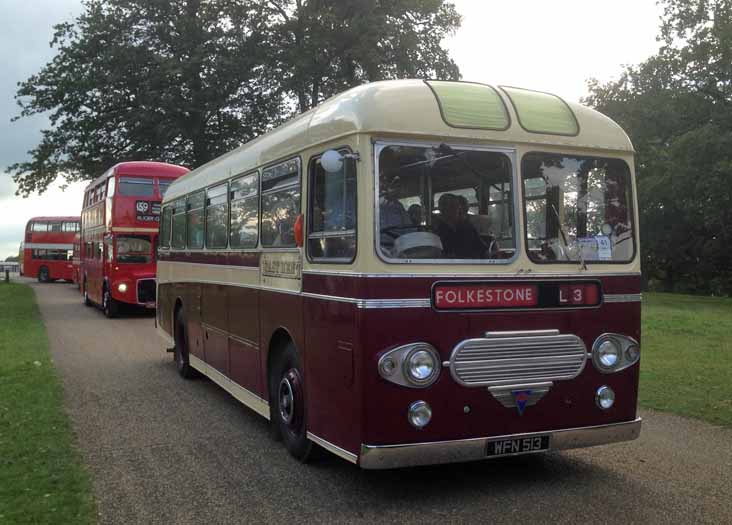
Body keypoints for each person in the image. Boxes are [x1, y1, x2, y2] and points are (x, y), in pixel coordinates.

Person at [434, 193, 486, 258]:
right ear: (442, 209)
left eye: (458, 207)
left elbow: (482, 248)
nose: (458, 210)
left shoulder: (467, 226)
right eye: (453, 206)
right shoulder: (435, 231)